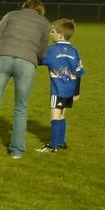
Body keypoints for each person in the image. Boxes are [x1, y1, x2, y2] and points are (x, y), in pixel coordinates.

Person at [0, 0, 51, 158]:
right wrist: (37, 60)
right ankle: (17, 150)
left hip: (2, 58)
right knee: (21, 107)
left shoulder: (11, 15)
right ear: (40, 10)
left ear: (24, 6)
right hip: (26, 62)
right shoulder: (44, 22)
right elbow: (43, 48)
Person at [37, 18, 85, 153]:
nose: (51, 34)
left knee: (54, 117)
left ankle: (53, 146)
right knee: (62, 115)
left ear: (60, 35)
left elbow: (38, 60)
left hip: (58, 90)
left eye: (53, 32)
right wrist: (76, 93)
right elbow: (79, 72)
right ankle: (62, 142)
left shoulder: (51, 50)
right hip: (70, 90)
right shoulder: (74, 51)